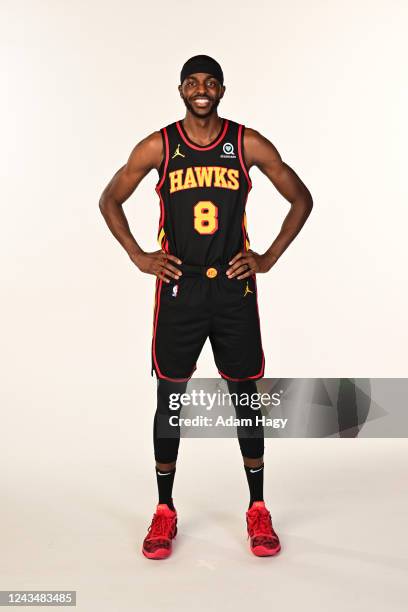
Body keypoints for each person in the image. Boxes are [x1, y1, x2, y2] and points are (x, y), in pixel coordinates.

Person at [99, 55, 313, 559]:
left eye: (209, 82)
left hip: (232, 289)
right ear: (180, 90)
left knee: (245, 395)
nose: (201, 89)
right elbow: (110, 198)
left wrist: (268, 257)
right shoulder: (160, 145)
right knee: (170, 399)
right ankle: (164, 510)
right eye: (193, 82)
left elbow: (300, 198)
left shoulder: (246, 143)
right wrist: (137, 254)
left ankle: (258, 508)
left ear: (221, 89)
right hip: (179, 288)